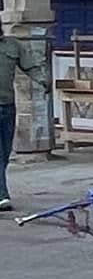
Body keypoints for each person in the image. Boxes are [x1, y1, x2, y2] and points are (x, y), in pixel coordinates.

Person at [0, 25, 49, 214]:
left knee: (5, 152)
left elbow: (31, 66)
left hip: (7, 107)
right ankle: (2, 195)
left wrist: (43, 80)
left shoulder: (12, 46)